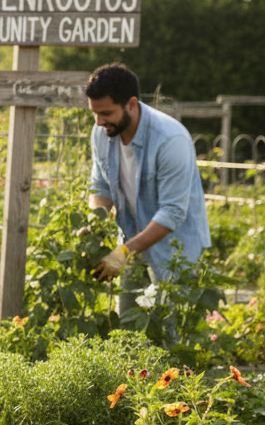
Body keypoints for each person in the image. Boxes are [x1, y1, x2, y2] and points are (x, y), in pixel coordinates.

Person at [86, 63, 211, 302]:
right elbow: (100, 186)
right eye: (94, 112)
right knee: (127, 330)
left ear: (131, 104)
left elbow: (172, 212)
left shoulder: (170, 139)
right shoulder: (102, 133)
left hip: (176, 251)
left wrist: (123, 252)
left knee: (171, 329)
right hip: (132, 241)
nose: (99, 121)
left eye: (106, 113)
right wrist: (96, 225)